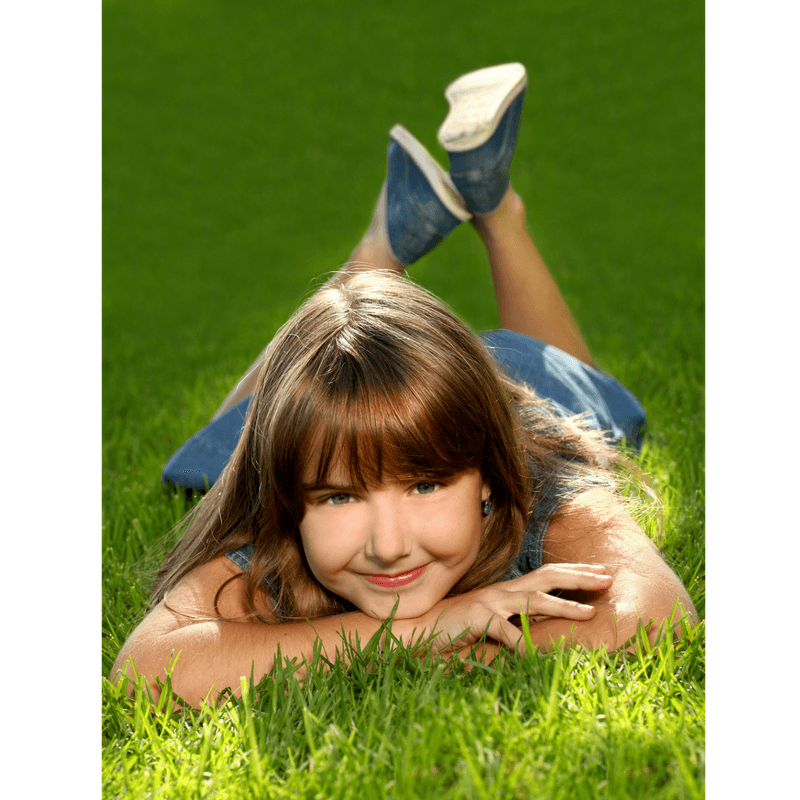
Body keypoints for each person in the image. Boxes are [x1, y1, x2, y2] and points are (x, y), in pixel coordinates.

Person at [111, 64, 697, 709]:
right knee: (214, 455)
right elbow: (145, 673)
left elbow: (656, 613)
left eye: (426, 485)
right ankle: (387, 243)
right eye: (337, 499)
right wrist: (434, 627)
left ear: (490, 481)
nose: (388, 547)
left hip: (521, 387)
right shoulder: (275, 515)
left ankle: (496, 211)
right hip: (328, 417)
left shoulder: (540, 480)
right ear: (290, 501)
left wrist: (436, 643)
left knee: (562, 371)